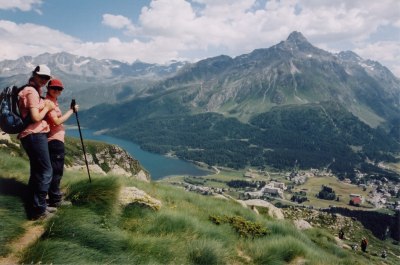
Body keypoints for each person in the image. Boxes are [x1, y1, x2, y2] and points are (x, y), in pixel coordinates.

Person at [18, 65, 56, 220]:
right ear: (34, 74)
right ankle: (39, 211)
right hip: (34, 135)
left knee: (37, 172)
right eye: (41, 77)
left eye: (46, 78)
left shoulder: (31, 89)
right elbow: (35, 117)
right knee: (46, 172)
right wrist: (46, 107)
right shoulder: (31, 92)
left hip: (32, 135)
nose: (44, 81)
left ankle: (35, 204)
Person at [45, 78, 79, 207]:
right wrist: (71, 111)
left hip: (54, 139)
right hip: (54, 141)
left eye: (59, 89)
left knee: (55, 170)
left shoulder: (52, 101)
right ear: (48, 89)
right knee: (57, 171)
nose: (57, 91)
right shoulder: (48, 102)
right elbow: (56, 122)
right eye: (54, 88)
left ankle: (52, 195)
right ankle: (55, 199)